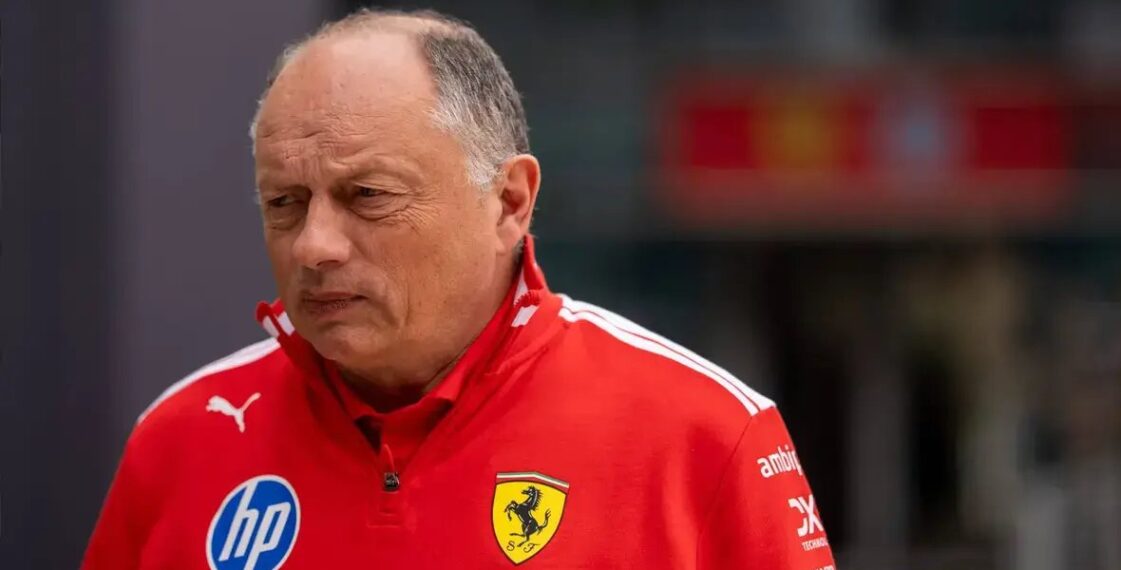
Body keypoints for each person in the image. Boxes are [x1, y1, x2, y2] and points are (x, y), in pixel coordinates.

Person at [83, 9, 835, 569]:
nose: (314, 245)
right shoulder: (181, 440)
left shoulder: (704, 435)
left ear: (509, 202)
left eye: (368, 196)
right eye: (285, 203)